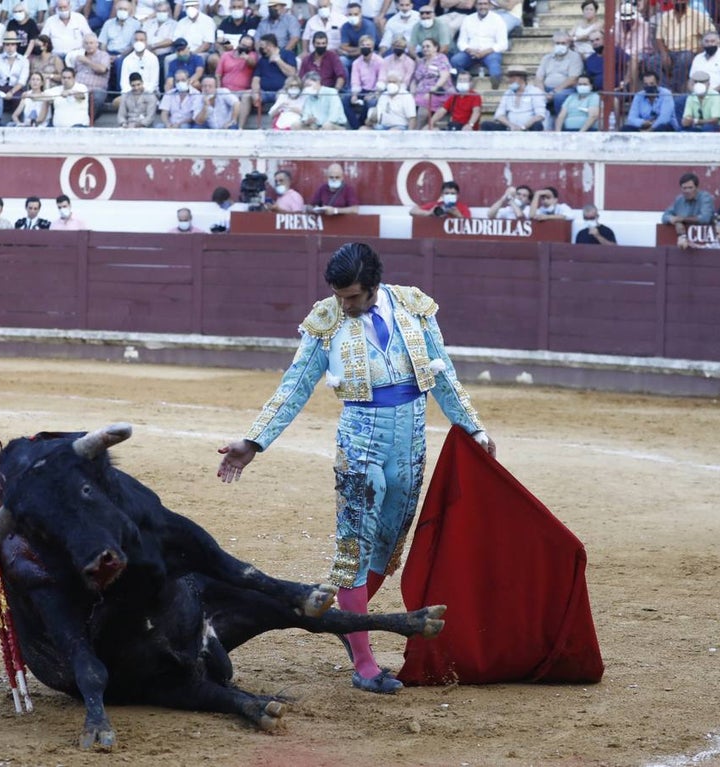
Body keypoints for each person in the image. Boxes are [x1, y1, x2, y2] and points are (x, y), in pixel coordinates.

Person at [216, 242, 494, 695]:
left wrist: (474, 428)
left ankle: (348, 623)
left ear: (374, 286)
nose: (343, 305)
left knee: (388, 544)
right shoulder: (326, 321)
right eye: (339, 296)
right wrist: (254, 440)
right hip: (360, 439)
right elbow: (296, 384)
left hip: (411, 440)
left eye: (352, 297)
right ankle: (364, 662)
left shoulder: (414, 307)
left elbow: (443, 375)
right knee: (354, 549)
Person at [449, 0, 508, 90]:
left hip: (490, 52)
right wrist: (470, 50)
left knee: (495, 69)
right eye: (480, 4)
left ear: (490, 5)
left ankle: (494, 89)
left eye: (485, 4)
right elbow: (461, 42)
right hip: (470, 52)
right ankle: (465, 81)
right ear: (475, 5)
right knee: (455, 61)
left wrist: (485, 52)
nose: (482, 6)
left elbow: (503, 44)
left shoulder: (498, 19)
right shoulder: (468, 19)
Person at [250, 34, 297, 127]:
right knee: (246, 96)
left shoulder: (288, 54)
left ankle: (277, 126)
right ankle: (240, 127)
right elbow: (256, 79)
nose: (261, 49)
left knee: (281, 96)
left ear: (270, 46)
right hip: (264, 92)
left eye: (263, 47)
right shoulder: (262, 60)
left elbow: (292, 74)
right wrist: (255, 92)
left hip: (282, 91)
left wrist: (278, 61)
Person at [533, 31, 583, 116]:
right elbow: (539, 78)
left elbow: (572, 79)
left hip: (566, 89)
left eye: (563, 43)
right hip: (546, 89)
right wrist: (543, 93)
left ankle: (558, 121)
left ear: (568, 43)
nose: (560, 46)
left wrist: (553, 92)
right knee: (531, 93)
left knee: (559, 96)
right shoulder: (547, 58)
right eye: (557, 43)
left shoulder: (574, 57)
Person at [663, 172, 715, 249]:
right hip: (683, 242)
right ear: (681, 188)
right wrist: (675, 221)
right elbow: (665, 216)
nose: (687, 191)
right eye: (684, 188)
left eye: (690, 188)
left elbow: (705, 218)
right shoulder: (679, 199)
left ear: (697, 188)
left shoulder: (705, 197)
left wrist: (682, 219)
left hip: (704, 241)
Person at [481, 68, 546, 131]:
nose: (510, 80)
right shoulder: (508, 93)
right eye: (510, 77)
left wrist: (524, 127)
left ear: (522, 78)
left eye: (513, 78)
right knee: (486, 125)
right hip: (509, 128)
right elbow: (499, 115)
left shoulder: (535, 91)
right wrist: (511, 125)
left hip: (528, 128)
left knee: (538, 125)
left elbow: (540, 115)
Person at [342, 33, 382, 129]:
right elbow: (355, 81)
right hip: (362, 90)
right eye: (363, 45)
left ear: (372, 48)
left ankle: (363, 125)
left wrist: (374, 93)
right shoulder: (356, 63)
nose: (365, 47)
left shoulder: (380, 62)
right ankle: (356, 127)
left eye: (368, 46)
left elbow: (382, 80)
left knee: (371, 102)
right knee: (345, 99)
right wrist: (354, 95)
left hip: (376, 91)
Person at [688, 31, 720, 113]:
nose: (709, 44)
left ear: (718, 42)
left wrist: (709, 94)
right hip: (697, 94)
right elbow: (690, 80)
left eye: (712, 41)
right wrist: (694, 93)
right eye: (706, 41)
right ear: (702, 43)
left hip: (718, 94)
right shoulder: (698, 58)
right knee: (679, 102)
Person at [410, 37, 451, 127]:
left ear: (435, 48)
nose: (425, 49)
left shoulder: (441, 58)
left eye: (428, 46)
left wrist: (433, 90)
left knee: (424, 103)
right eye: (423, 47)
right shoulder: (421, 61)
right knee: (408, 102)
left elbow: (444, 76)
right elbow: (414, 80)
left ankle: (417, 131)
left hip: (438, 92)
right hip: (421, 92)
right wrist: (412, 93)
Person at [69, 32, 108, 117]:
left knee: (98, 97)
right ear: (83, 45)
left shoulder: (103, 55)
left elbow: (102, 69)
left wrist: (86, 61)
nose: (89, 45)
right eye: (86, 43)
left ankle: (87, 120)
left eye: (91, 43)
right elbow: (72, 73)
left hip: (95, 89)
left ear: (97, 44)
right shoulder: (78, 57)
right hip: (78, 88)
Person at [0, 31, 31, 107]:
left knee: (18, 98)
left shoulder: (24, 60)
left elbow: (22, 81)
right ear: (4, 46)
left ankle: (15, 117)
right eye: (7, 45)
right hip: (0, 87)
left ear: (16, 46)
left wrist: (11, 92)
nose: (10, 47)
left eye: (13, 44)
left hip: (15, 88)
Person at [119, 30, 160, 95]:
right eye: (136, 40)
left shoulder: (153, 59)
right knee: (116, 102)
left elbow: (154, 83)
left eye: (141, 40)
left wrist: (143, 91)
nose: (139, 42)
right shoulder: (127, 60)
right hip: (131, 94)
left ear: (146, 42)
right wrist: (133, 92)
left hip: (149, 94)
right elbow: (124, 83)